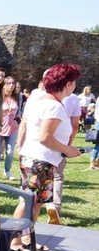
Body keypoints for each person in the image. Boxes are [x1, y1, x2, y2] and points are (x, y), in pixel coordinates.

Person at [10, 63, 82, 251]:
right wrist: (67, 150)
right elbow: (45, 137)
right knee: (28, 202)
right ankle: (14, 241)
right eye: (74, 82)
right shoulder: (53, 106)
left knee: (36, 202)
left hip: (39, 159)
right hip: (39, 160)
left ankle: (26, 238)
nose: (75, 85)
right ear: (67, 84)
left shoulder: (43, 101)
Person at [44, 86, 81, 224]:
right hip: (60, 142)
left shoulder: (39, 96)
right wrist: (67, 146)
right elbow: (75, 124)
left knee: (37, 179)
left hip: (39, 146)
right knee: (57, 176)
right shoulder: (73, 99)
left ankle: (27, 202)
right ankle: (54, 205)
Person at [0, 76, 19, 180]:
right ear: (4, 85)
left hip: (13, 128)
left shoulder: (17, 97)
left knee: (10, 152)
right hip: (0, 127)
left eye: (13, 83)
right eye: (9, 83)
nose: (11, 85)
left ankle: (7, 171)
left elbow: (19, 110)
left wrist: (19, 118)